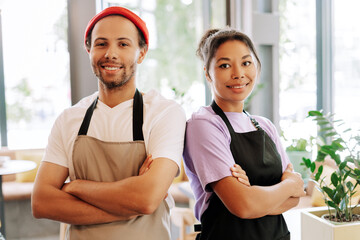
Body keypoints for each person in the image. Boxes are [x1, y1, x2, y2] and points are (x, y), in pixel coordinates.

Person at [31, 6, 186, 240]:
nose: (110, 54)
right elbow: (42, 203)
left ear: (141, 53)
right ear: (89, 49)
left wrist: (76, 187)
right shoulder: (69, 119)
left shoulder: (164, 113)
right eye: (101, 43)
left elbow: (147, 199)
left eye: (123, 44)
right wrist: (129, 205)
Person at [183, 28, 306, 240]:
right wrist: (286, 185)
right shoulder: (203, 124)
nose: (238, 74)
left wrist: (254, 196)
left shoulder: (265, 126)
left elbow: (294, 198)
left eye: (246, 63)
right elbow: (244, 205)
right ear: (207, 73)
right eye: (224, 65)